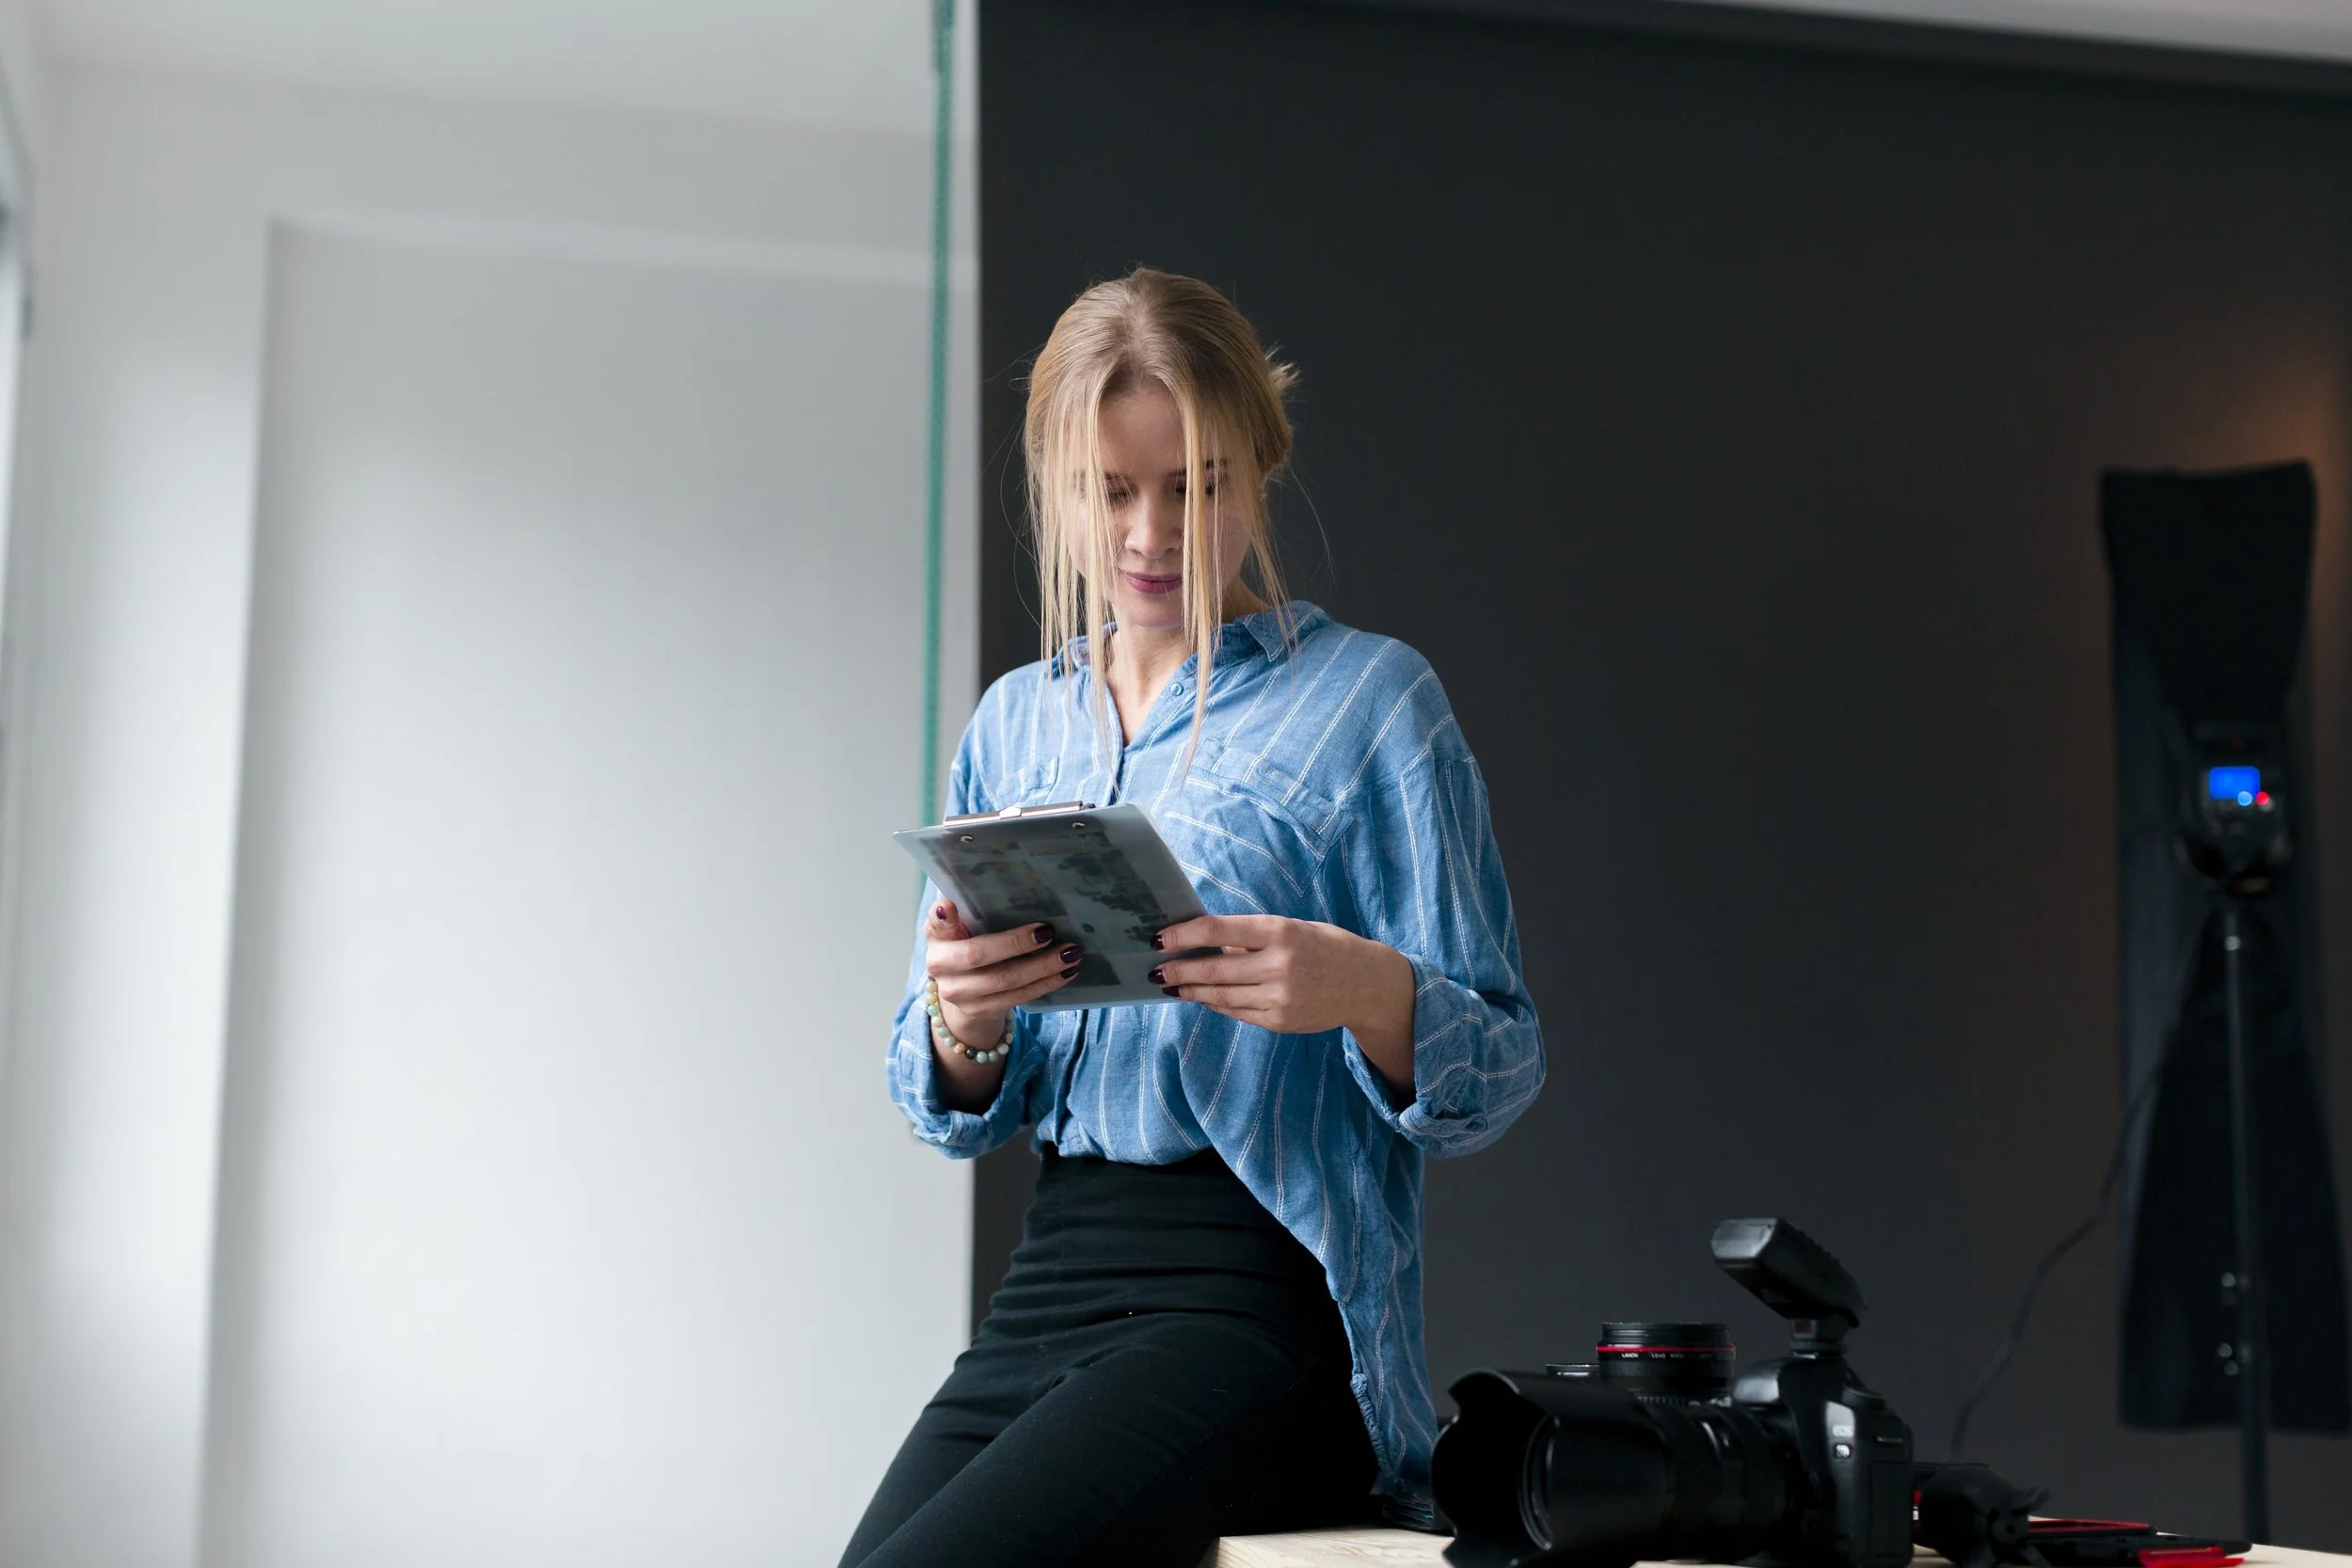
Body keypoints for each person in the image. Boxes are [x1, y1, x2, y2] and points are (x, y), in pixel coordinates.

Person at [840, 268, 1545, 1568]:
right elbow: (942, 1096)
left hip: (1259, 1298)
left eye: (1197, 486)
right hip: (1051, 1282)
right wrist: (966, 1019)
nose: (1152, 533)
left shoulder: (1371, 705)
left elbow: (1500, 1065)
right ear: (1060, 488)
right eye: (1112, 491)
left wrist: (1363, 991)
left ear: (1260, 473)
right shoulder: (1014, 723)